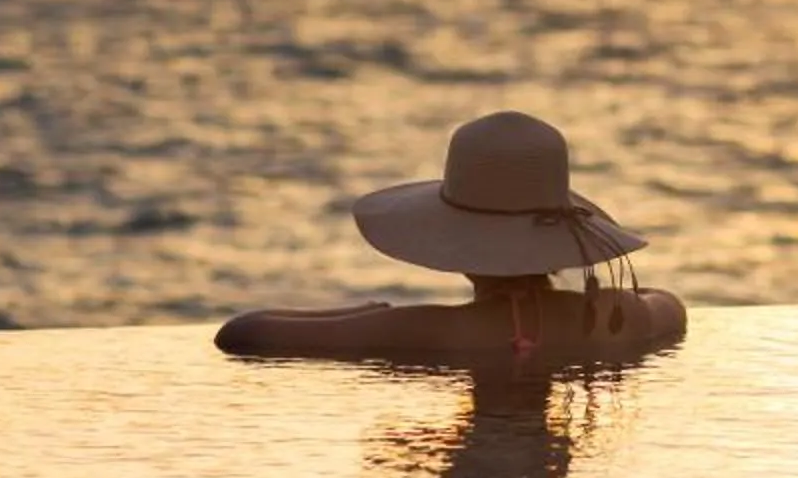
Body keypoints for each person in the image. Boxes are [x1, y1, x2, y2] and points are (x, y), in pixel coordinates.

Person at [216, 111, 686, 366]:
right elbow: (670, 306)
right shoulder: (616, 317)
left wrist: (362, 313)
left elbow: (243, 332)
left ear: (457, 243)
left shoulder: (425, 330)